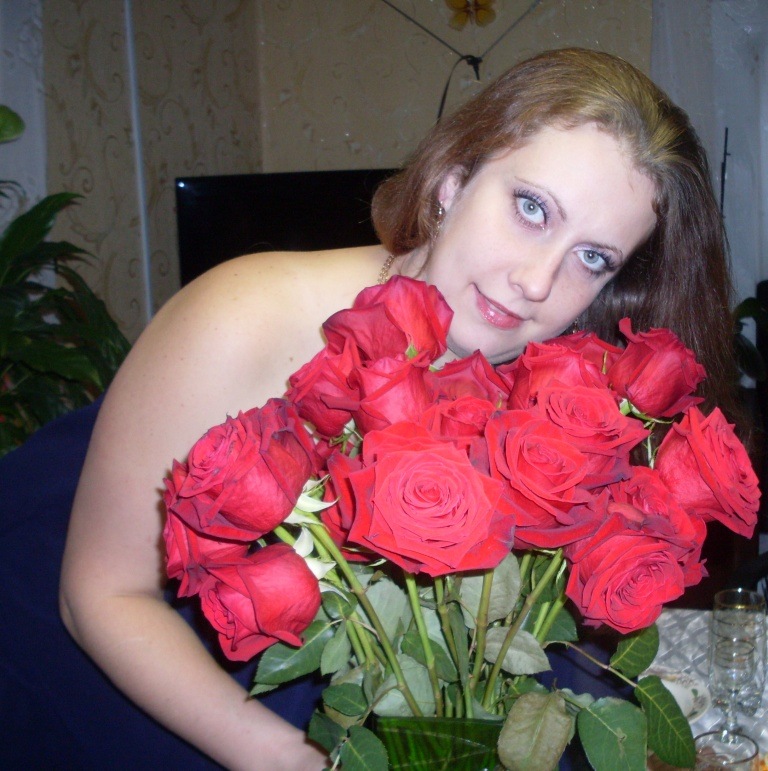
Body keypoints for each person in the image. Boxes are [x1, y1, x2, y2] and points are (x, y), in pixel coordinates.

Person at [2, 48, 736, 768]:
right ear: (452, 181)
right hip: (123, 671)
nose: (537, 281)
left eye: (592, 257)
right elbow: (100, 594)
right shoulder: (243, 318)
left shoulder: (551, 386)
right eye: (531, 208)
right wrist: (286, 757)